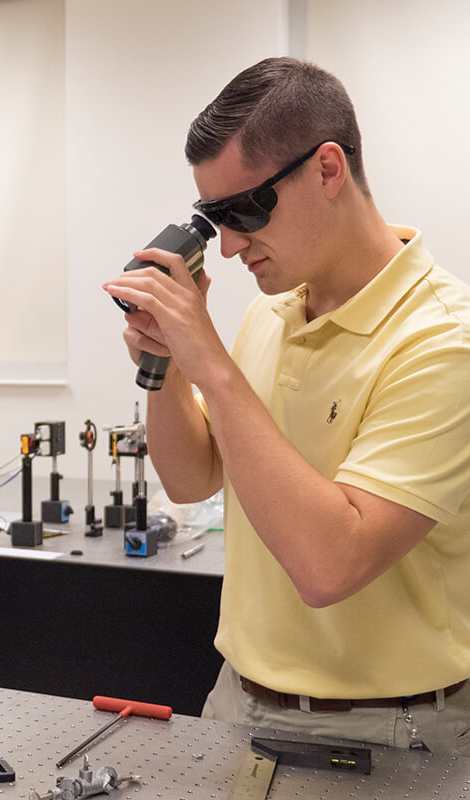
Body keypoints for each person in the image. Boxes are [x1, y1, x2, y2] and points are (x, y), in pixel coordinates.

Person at [104, 57, 470, 753]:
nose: (233, 243)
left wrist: (209, 362)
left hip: (388, 728)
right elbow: (191, 480)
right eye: (214, 219)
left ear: (328, 169)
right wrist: (172, 366)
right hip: (238, 700)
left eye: (244, 210)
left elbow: (330, 567)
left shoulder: (442, 340)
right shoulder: (271, 315)